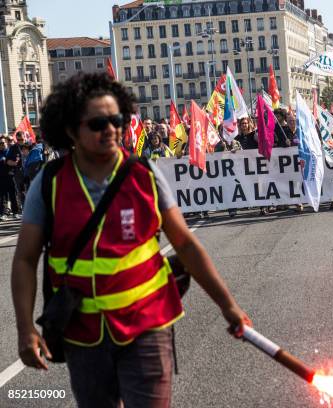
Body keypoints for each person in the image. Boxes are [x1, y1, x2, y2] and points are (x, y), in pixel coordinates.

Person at [11, 73, 251, 408]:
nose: (110, 129)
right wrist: (25, 330)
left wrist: (228, 305)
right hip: (84, 334)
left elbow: (185, 244)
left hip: (148, 325)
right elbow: (24, 259)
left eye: (117, 119)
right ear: (70, 131)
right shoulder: (49, 183)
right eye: (97, 123)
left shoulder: (145, 175)